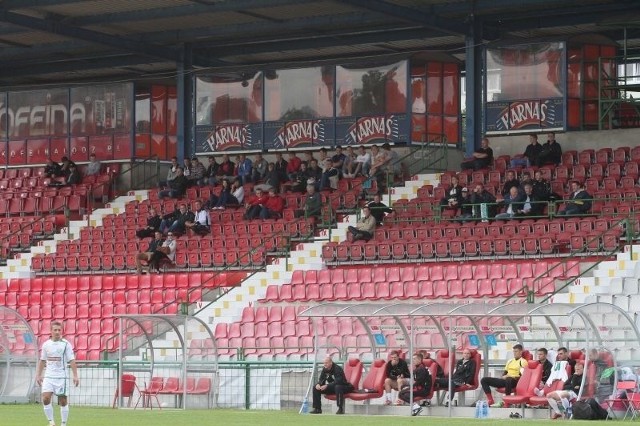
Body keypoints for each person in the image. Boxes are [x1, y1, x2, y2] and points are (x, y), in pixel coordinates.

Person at [36, 320, 79, 426]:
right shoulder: (46, 345)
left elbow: (72, 360)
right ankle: (51, 422)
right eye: (55, 330)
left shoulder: (65, 344)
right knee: (45, 398)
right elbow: (42, 360)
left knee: (63, 401)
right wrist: (38, 374)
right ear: (51, 331)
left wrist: (75, 375)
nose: (57, 332)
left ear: (62, 331)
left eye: (59, 330)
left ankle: (63, 424)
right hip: (49, 376)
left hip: (61, 377)